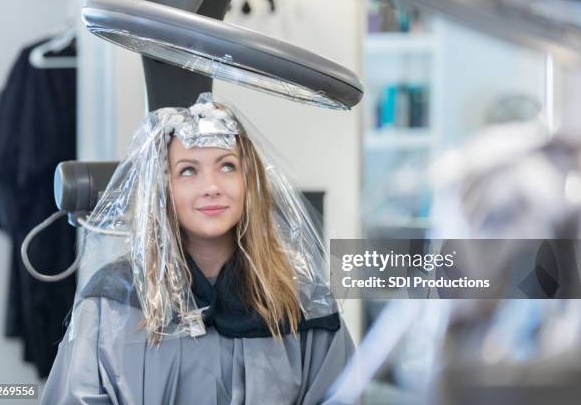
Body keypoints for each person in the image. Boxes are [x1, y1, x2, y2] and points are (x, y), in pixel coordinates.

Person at [41, 93, 354, 404]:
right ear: (162, 189)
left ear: (250, 180)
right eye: (188, 171)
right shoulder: (112, 303)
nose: (211, 187)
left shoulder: (304, 303)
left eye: (227, 166)